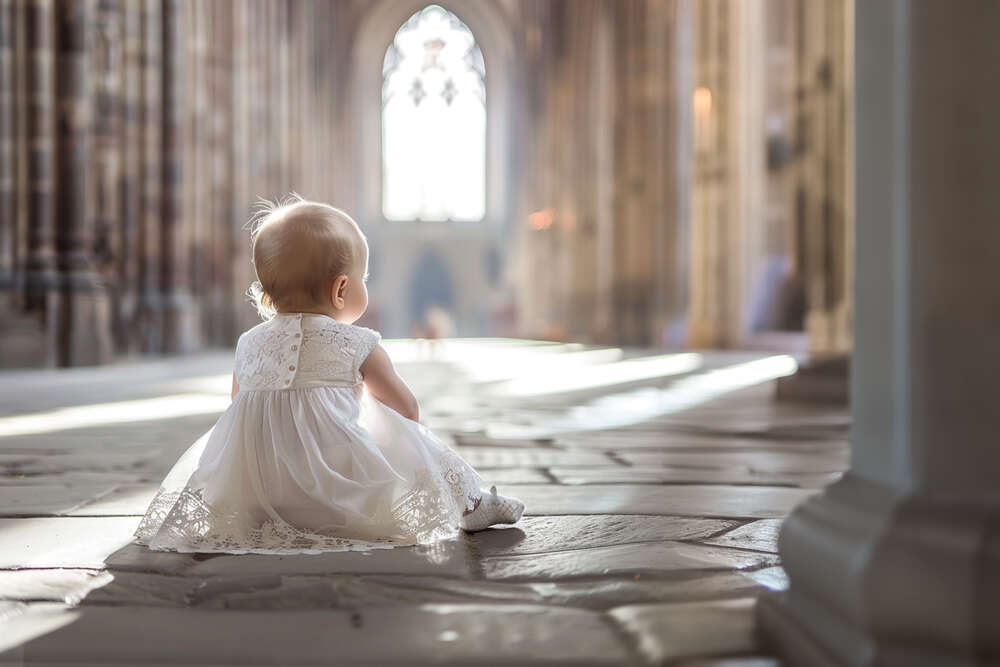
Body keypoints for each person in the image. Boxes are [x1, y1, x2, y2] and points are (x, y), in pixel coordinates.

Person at [135, 196, 523, 554]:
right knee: (416, 437)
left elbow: (237, 407)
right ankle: (474, 504)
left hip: (262, 493)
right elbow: (407, 409)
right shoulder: (357, 342)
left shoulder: (248, 343)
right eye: (363, 280)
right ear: (341, 290)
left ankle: (266, 510)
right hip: (341, 493)